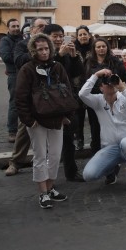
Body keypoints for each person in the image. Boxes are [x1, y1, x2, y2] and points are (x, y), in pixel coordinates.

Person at [15, 33, 72, 209]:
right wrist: (28, 120)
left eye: (46, 48)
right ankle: (43, 193)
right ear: (34, 51)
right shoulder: (27, 69)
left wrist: (66, 115)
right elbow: (20, 97)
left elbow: (67, 91)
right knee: (40, 156)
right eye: (40, 49)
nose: (44, 52)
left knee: (55, 155)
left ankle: (50, 187)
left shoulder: (57, 67)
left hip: (56, 118)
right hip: (37, 120)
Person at [79, 69, 126, 194]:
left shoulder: (125, 97)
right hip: (111, 148)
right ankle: (111, 170)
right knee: (88, 175)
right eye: (106, 83)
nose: (110, 84)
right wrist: (96, 75)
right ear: (101, 88)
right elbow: (82, 94)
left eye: (113, 82)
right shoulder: (97, 101)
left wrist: (123, 88)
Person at [5, 18, 48, 176]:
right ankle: (16, 162)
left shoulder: (50, 45)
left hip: (48, 93)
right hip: (30, 92)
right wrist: (36, 51)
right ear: (32, 29)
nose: (43, 29)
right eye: (40, 26)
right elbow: (18, 61)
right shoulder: (22, 45)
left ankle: (48, 161)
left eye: (45, 26)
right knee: (24, 128)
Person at [44, 23, 85, 182]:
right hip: (49, 102)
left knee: (69, 138)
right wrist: (59, 55)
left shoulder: (67, 53)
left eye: (61, 36)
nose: (59, 39)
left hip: (66, 100)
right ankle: (47, 176)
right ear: (47, 37)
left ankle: (71, 172)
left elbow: (77, 73)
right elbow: (49, 72)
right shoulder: (44, 53)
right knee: (49, 142)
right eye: (55, 36)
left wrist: (73, 56)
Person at [84, 37, 126, 152]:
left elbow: (125, 77)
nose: (101, 49)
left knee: (113, 124)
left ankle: (114, 150)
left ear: (107, 48)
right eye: (98, 47)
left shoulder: (115, 61)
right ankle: (96, 151)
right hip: (95, 97)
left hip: (112, 97)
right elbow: (85, 79)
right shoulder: (89, 62)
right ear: (94, 49)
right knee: (95, 126)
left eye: (103, 46)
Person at [0, 18, 23, 143]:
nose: (16, 28)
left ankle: (26, 129)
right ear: (8, 28)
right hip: (14, 74)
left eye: (18, 26)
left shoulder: (22, 38)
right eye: (13, 26)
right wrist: (20, 54)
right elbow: (6, 57)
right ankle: (12, 131)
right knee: (14, 103)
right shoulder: (5, 40)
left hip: (25, 72)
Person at [72, 25, 93, 150]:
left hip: (92, 85)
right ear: (77, 37)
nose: (83, 36)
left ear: (89, 35)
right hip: (77, 85)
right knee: (78, 116)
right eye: (80, 34)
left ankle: (95, 140)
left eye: (85, 34)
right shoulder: (72, 48)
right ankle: (79, 139)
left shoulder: (95, 47)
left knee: (93, 115)